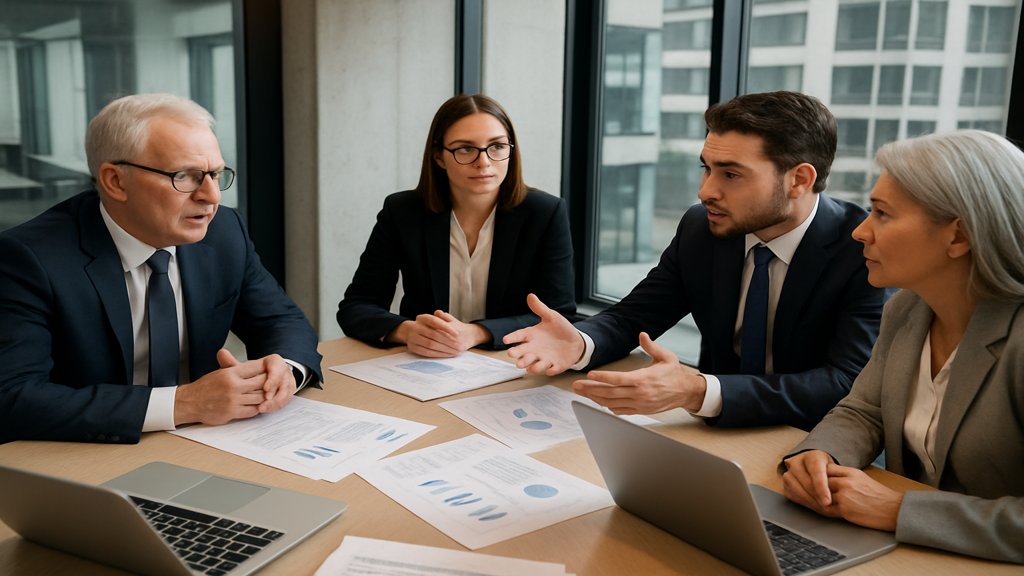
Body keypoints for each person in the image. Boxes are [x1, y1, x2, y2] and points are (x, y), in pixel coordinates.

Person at [505, 91, 888, 431]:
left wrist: (701, 390)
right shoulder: (702, 228)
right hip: (712, 432)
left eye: (731, 174)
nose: (705, 191)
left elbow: (845, 382)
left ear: (799, 180)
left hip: (812, 444)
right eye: (706, 168)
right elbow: (635, 316)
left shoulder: (862, 248)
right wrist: (581, 341)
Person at [0, 93, 322, 445]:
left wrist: (286, 371)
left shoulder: (224, 232)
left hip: (207, 441)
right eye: (186, 176)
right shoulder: (29, 258)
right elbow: (13, 397)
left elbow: (281, 320)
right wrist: (185, 403)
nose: (212, 196)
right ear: (115, 182)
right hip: (89, 451)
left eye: (215, 174)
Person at [780, 130, 1024, 564]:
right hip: (903, 557)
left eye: (882, 214)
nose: (860, 231)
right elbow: (863, 410)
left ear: (959, 236)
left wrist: (899, 509)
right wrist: (820, 455)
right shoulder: (908, 309)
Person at [337, 94, 575, 357]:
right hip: (424, 362)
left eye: (496, 146)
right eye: (465, 148)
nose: (483, 161)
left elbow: (559, 316)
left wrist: (477, 332)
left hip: (507, 361)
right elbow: (356, 307)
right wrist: (408, 331)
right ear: (439, 157)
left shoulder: (545, 212)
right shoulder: (403, 212)